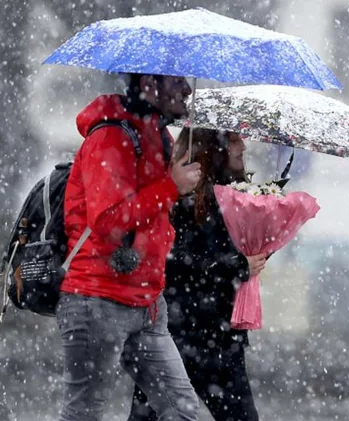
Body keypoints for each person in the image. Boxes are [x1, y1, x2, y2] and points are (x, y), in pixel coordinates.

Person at [58, 73, 202, 421]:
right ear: (149, 83)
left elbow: (154, 216)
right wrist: (170, 187)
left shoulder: (157, 136)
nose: (187, 89)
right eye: (176, 81)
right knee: (84, 414)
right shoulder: (110, 136)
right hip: (98, 299)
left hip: (147, 303)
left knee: (182, 411)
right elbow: (108, 220)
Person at [128, 128, 267, 421]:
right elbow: (176, 263)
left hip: (220, 338)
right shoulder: (181, 198)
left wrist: (258, 250)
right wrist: (237, 266)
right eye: (233, 139)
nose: (243, 145)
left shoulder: (237, 196)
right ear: (212, 147)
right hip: (177, 335)